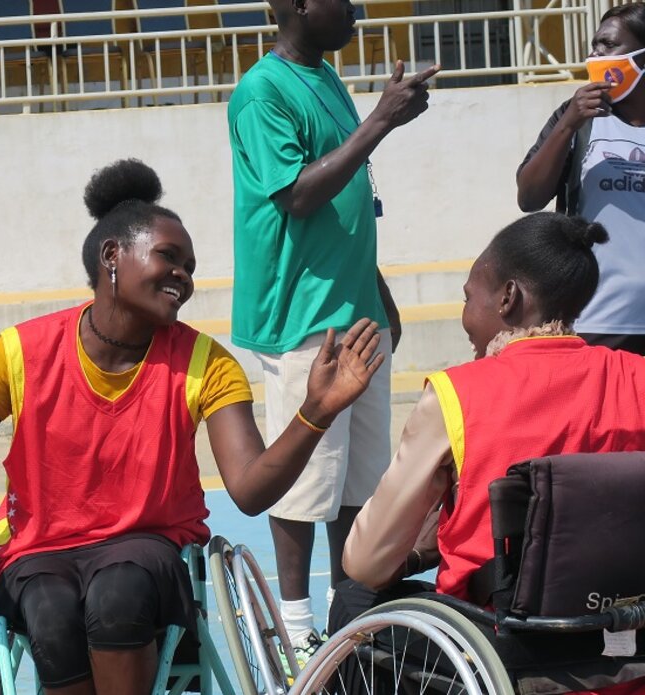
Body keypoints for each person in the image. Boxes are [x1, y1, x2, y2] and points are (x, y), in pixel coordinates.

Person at [0, 159, 386, 695]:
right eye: (170, 257)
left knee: (118, 590)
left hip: (149, 546)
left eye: (190, 268)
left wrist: (316, 411)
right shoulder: (21, 351)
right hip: (42, 550)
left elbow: (249, 490)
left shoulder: (206, 363)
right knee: (47, 606)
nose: (183, 277)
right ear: (112, 256)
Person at [337, 212, 645, 693]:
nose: (465, 317)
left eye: (468, 297)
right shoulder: (637, 378)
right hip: (617, 647)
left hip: (494, 653)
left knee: (352, 598)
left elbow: (367, 562)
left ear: (508, 297)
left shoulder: (457, 394)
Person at [226, 0, 439, 660]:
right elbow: (298, 195)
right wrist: (380, 120)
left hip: (353, 308)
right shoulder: (261, 90)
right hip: (302, 317)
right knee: (306, 475)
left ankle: (351, 613)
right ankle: (295, 626)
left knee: (362, 480)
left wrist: (377, 292)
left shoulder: (326, 77)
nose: (357, 8)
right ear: (292, 6)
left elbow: (350, 199)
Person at [517, 3, 645, 356]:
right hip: (598, 318)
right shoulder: (579, 120)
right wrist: (568, 124)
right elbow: (529, 197)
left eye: (608, 44)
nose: (595, 54)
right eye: (594, 44)